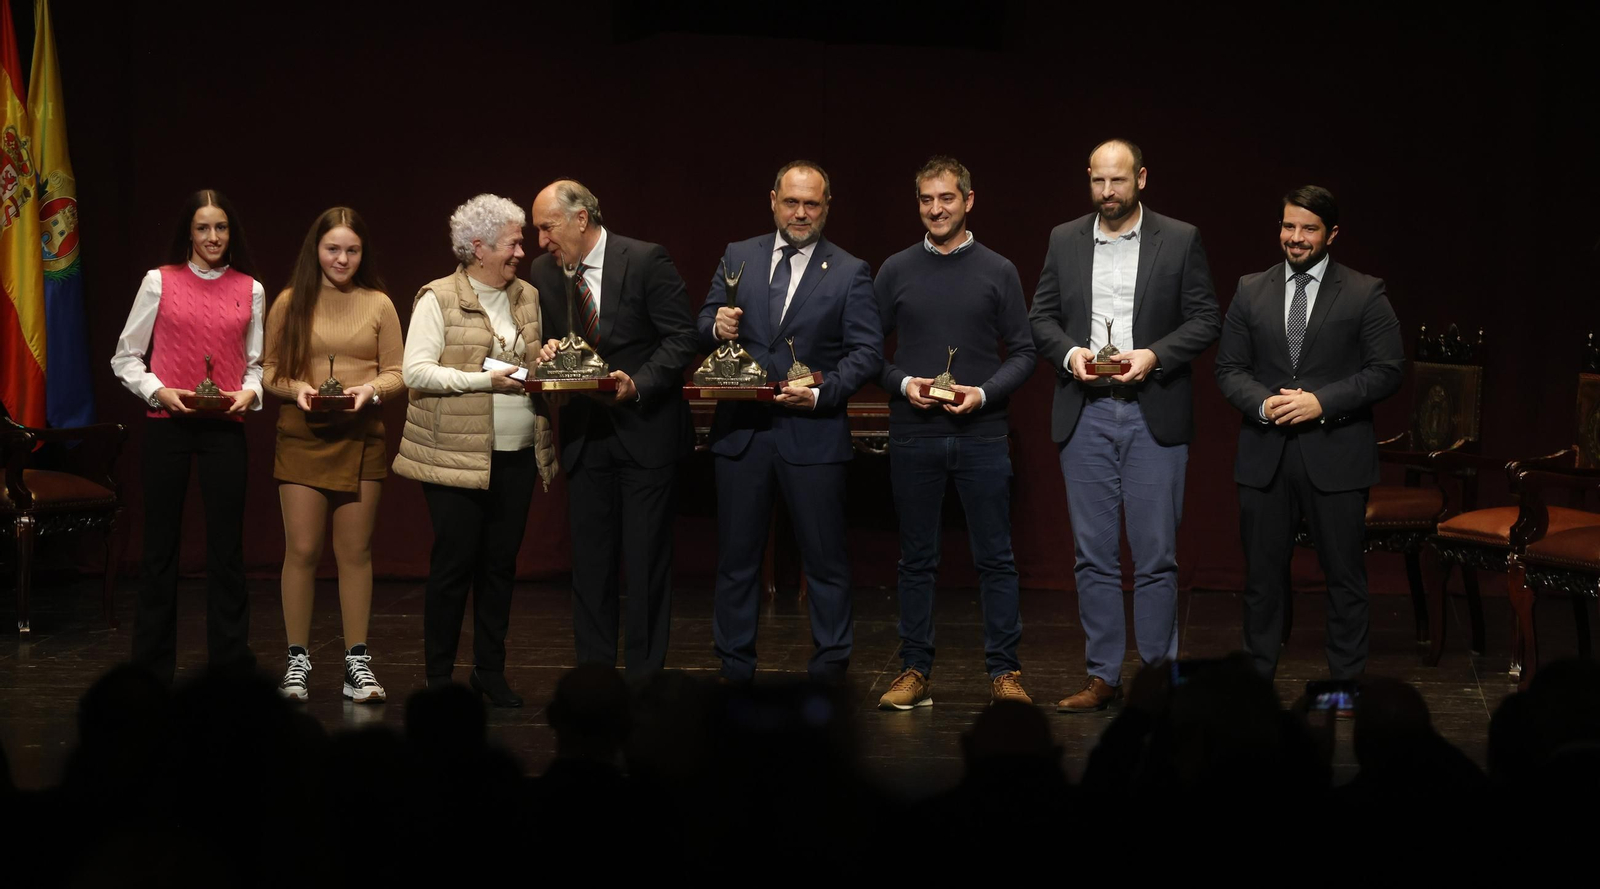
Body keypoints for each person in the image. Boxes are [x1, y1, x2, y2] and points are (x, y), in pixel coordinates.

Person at [1028, 139, 1220, 712]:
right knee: (1093, 556)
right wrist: (1069, 356)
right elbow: (1040, 317)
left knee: (1157, 555)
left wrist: (1154, 355)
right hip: (1084, 411)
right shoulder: (1065, 238)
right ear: (1088, 179)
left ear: (1141, 178)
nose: (1108, 193)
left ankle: (1159, 680)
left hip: (1151, 410)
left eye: (1119, 181)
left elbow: (1207, 318)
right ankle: (1103, 676)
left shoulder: (1180, 238)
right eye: (1098, 182)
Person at [698, 160, 883, 683]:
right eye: (792, 202)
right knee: (737, 561)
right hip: (743, 433)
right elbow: (702, 321)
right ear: (773, 200)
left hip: (814, 434)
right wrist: (716, 323)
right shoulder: (738, 255)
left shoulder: (850, 270)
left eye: (813, 204)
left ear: (827, 208)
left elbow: (867, 353)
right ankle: (734, 668)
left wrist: (825, 392)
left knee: (825, 562)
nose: (801, 213)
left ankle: (829, 667)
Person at [1214, 186, 1403, 680]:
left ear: (1332, 234)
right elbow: (1229, 368)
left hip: (1336, 454)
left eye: (1308, 228)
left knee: (1344, 578)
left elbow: (1387, 370)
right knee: (1261, 580)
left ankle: (1343, 685)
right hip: (1265, 453)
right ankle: (1256, 680)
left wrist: (1322, 403)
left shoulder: (1365, 291)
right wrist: (1261, 402)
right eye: (1288, 226)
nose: (1295, 238)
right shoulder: (1249, 288)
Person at [873, 156, 1036, 709]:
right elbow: (868, 352)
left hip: (983, 434)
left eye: (946, 198)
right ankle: (914, 670)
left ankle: (1004, 672)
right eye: (926, 199)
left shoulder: (1000, 270)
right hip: (914, 433)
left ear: (969, 200)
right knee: (916, 559)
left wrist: (983, 393)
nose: (936, 209)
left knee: (996, 557)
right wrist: (902, 384)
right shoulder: (895, 269)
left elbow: (1026, 351)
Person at [527, 179, 699, 678]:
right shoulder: (544, 271)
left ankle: (644, 682)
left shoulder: (645, 260)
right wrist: (547, 355)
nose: (542, 241)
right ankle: (595, 680)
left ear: (582, 218)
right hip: (585, 439)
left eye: (548, 227)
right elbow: (554, 347)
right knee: (592, 569)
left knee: (645, 568)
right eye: (537, 231)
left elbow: (681, 338)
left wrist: (637, 384)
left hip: (645, 433)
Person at [393, 193, 557, 707]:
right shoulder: (437, 298)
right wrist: (485, 382)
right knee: (453, 567)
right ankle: (439, 679)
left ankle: (490, 670)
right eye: (512, 242)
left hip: (518, 451)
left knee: (500, 566)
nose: (520, 251)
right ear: (479, 246)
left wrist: (547, 359)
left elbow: (533, 368)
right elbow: (414, 371)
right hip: (453, 456)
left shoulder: (527, 296)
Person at [110, 189, 265, 686]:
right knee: (160, 550)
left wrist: (251, 393)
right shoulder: (159, 281)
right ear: (189, 233)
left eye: (220, 227)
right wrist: (158, 392)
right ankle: (151, 671)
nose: (213, 237)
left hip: (225, 427)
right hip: (167, 425)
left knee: (227, 552)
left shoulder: (251, 288)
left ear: (230, 232)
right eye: (203, 228)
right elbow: (126, 356)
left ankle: (230, 670)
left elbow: (257, 364)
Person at [262, 207, 404, 703]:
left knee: (355, 553)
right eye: (333, 249)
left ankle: (356, 662)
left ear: (363, 253)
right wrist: (298, 387)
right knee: (301, 551)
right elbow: (270, 372)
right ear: (315, 250)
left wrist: (371, 390)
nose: (342, 259)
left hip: (361, 433)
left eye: (352, 250)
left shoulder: (379, 304)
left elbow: (397, 372)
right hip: (304, 433)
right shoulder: (289, 302)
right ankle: (297, 660)